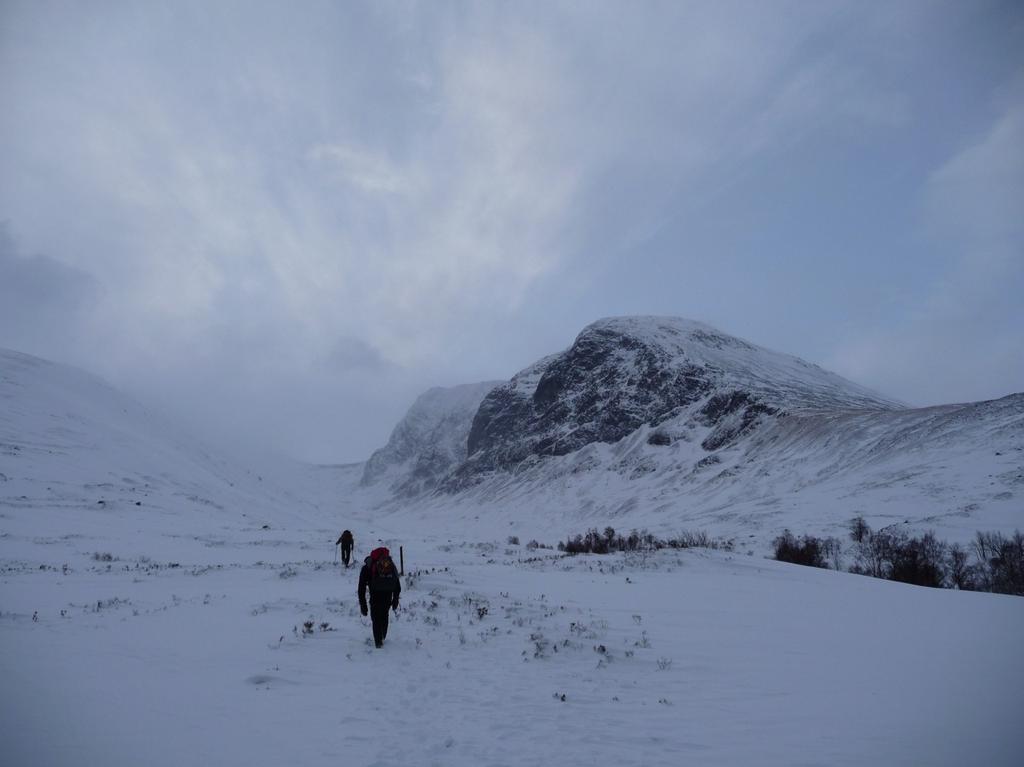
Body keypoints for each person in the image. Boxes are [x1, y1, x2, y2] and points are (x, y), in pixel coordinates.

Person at [358, 546, 401, 648]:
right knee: (384, 615)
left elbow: (361, 588)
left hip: (375, 596)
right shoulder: (390, 565)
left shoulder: (368, 566)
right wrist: (395, 600)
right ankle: (382, 636)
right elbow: (397, 585)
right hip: (387, 596)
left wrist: (363, 605)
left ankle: (378, 642)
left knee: (376, 618)